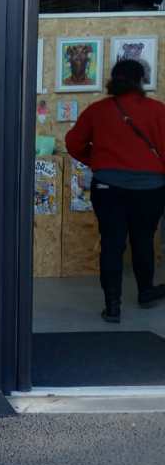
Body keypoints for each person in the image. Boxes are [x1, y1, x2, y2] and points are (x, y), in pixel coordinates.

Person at [65, 58, 165, 322]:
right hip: (150, 188)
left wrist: (97, 161)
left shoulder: (97, 110)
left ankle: (112, 307)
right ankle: (146, 291)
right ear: (141, 80)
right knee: (143, 240)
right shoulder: (157, 110)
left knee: (112, 243)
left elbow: (73, 142)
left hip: (108, 187)